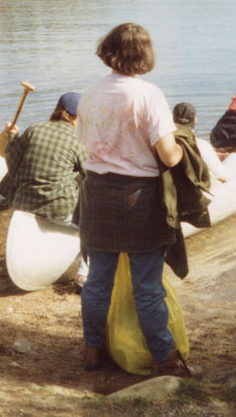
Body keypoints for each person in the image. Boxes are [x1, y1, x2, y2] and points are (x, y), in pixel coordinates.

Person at [75, 22, 192, 377]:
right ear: (144, 55)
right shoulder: (148, 94)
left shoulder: (90, 93)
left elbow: (85, 143)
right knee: (147, 285)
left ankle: (93, 350)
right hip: (138, 198)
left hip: (96, 193)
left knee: (97, 281)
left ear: (108, 51)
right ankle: (162, 357)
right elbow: (169, 156)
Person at [0, 91, 86, 225]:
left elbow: (13, 168)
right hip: (61, 211)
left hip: (23, 207)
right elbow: (90, 177)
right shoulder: (78, 140)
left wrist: (13, 137)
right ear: (76, 116)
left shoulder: (33, 129)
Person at [172, 102, 236, 183]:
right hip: (210, 188)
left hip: (181, 186)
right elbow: (223, 177)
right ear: (195, 120)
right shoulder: (202, 145)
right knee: (235, 157)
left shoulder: (167, 144)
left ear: (173, 120)